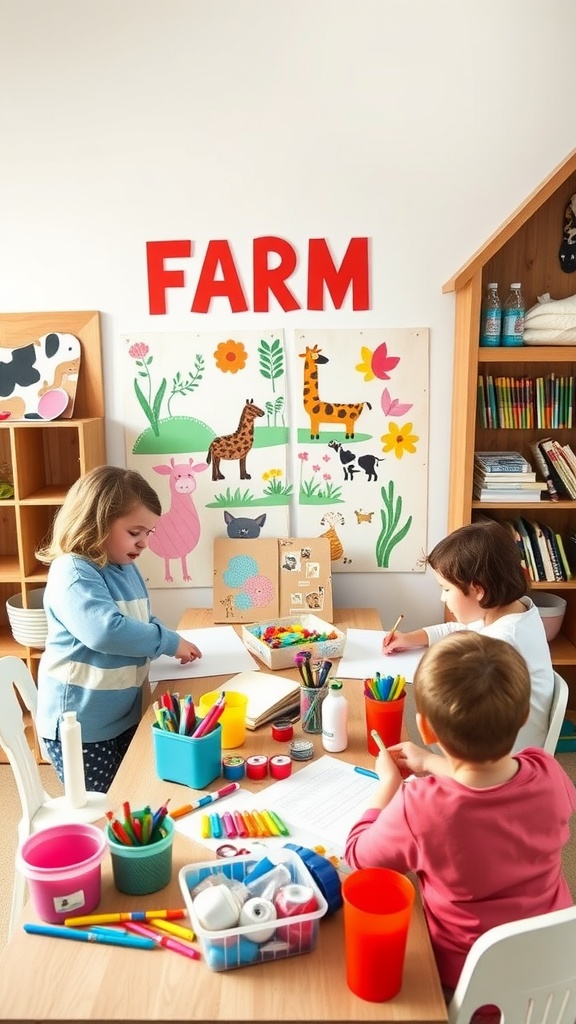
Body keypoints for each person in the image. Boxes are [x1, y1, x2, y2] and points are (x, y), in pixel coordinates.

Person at [345, 631, 576, 995]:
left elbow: (359, 858)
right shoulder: (547, 770)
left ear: (425, 729)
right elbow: (491, 787)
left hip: (467, 987)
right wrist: (433, 764)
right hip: (553, 969)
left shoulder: (419, 806)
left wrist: (387, 785)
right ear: (524, 715)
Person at [35, 465, 202, 792]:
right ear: (96, 522)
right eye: (135, 532)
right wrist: (167, 641)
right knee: (107, 808)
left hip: (118, 716)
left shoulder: (125, 567)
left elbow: (140, 619)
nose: (143, 544)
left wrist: (169, 637)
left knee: (129, 790)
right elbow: (106, 632)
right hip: (80, 725)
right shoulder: (73, 572)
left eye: (148, 534)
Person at [382, 519, 553, 756]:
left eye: (446, 589)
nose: (443, 598)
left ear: (478, 589)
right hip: (501, 743)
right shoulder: (515, 610)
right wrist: (412, 638)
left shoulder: (502, 643)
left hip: (499, 762)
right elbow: (459, 629)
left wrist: (427, 761)